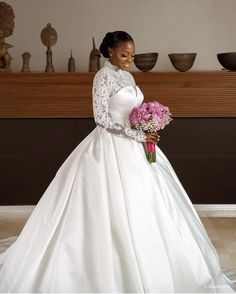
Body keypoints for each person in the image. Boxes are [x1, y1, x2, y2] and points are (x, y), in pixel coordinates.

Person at [0, 31, 235, 293]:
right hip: (108, 147)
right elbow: (101, 118)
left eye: (132, 56)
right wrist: (137, 133)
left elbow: (131, 111)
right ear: (110, 51)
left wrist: (147, 122)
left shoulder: (128, 76)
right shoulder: (102, 77)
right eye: (124, 55)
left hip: (136, 145)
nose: (128, 60)